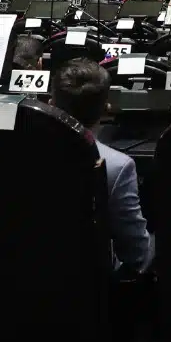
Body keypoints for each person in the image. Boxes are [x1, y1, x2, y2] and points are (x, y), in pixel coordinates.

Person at [50, 59, 152, 275]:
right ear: (106, 110)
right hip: (87, 290)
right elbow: (136, 254)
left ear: (51, 103)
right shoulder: (118, 167)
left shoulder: (16, 153)